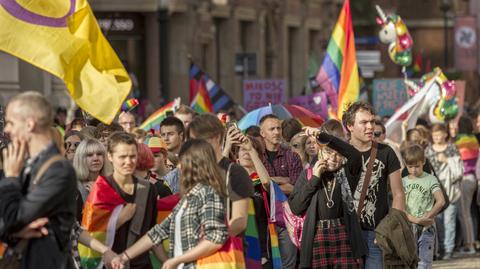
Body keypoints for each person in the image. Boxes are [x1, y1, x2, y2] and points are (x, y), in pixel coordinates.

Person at [110, 139, 229, 269]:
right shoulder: (189, 197)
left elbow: (216, 238)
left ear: (195, 164)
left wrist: (178, 260)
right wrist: (124, 257)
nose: (179, 167)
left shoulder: (208, 193)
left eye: (182, 162)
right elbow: (157, 232)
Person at [0, 91, 77, 268]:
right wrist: (14, 232)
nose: (6, 130)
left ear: (30, 124)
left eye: (11, 122)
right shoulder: (22, 164)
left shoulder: (58, 170)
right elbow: (7, 219)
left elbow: (14, 217)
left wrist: (11, 178)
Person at [290, 120, 367, 268]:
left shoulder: (347, 171)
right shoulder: (309, 173)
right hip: (317, 236)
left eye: (338, 154)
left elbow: (355, 156)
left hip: (344, 234)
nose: (333, 158)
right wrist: (315, 179)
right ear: (319, 151)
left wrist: (323, 136)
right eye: (328, 152)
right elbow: (296, 208)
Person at [80, 132, 161, 269]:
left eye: (132, 156)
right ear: (110, 157)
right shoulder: (101, 190)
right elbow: (87, 235)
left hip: (142, 265)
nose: (128, 162)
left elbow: (153, 233)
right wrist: (119, 220)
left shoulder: (148, 189)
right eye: (122, 157)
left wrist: (166, 261)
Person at [341, 101, 405, 269]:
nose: (370, 127)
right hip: (345, 232)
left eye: (372, 121)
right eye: (364, 122)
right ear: (350, 126)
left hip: (376, 233)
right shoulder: (338, 153)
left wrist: (388, 228)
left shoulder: (386, 152)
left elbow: (398, 193)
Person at [188, 114, 254, 237]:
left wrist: (210, 240)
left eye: (200, 139)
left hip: (227, 251)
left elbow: (240, 222)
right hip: (198, 252)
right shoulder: (193, 172)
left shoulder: (235, 172)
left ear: (217, 137)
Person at [259, 114, 302, 269]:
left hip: (286, 220)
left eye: (278, 128)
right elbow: (258, 186)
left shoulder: (292, 156)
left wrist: (268, 182)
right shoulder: (257, 157)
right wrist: (282, 179)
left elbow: (296, 188)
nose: (276, 132)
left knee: (288, 265)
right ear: (262, 133)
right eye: (272, 129)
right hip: (262, 219)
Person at [401, 143, 445, 268]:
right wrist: (415, 219)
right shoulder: (403, 182)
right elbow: (400, 207)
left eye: (417, 166)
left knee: (424, 263)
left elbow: (440, 201)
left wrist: (428, 216)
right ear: (405, 163)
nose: (414, 170)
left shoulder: (431, 179)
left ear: (424, 161)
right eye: (410, 167)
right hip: (408, 227)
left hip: (427, 228)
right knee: (409, 263)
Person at [425, 123, 463, 260]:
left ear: (445, 134)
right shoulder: (428, 150)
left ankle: (449, 249)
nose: (436, 137)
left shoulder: (452, 148)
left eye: (439, 134)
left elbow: (459, 167)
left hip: (450, 190)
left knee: (449, 221)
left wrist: (447, 160)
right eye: (434, 135)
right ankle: (440, 247)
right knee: (438, 222)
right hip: (436, 191)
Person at [454, 116, 478, 255]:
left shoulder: (458, 141)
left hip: (463, 179)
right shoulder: (474, 139)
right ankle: (471, 243)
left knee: (464, 214)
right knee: (468, 213)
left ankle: (469, 245)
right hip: (473, 178)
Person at [73, 138, 109, 204]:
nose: (95, 158)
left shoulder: (111, 184)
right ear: (80, 159)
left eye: (99, 154)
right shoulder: (73, 186)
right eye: (89, 155)